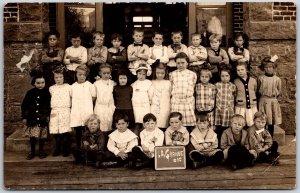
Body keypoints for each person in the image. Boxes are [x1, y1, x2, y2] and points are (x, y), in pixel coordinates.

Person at [21, 70, 51, 160]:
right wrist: (25, 117)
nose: (40, 85)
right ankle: (32, 151)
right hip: (32, 118)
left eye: (42, 83)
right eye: (38, 83)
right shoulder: (30, 93)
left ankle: (41, 150)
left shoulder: (47, 93)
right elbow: (24, 105)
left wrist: (47, 115)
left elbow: (49, 105)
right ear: (34, 83)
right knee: (33, 136)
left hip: (42, 118)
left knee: (42, 136)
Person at [70, 65, 96, 149]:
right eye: (79, 74)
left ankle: (88, 150)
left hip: (86, 111)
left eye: (84, 75)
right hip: (77, 112)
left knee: (87, 132)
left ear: (86, 75)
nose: (81, 76)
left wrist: (87, 104)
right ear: (76, 75)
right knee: (78, 132)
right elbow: (71, 97)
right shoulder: (72, 86)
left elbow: (94, 97)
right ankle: (79, 148)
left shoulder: (90, 85)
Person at [169, 52, 197, 132]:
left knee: (188, 123)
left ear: (187, 63)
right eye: (178, 63)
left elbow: (193, 86)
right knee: (176, 122)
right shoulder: (172, 74)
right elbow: (171, 88)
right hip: (176, 101)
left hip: (188, 101)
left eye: (183, 63)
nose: (180, 65)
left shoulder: (192, 74)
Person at [49, 67, 72, 157]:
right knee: (56, 131)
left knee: (65, 131)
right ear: (54, 78)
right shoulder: (51, 88)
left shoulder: (68, 87)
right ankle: (57, 148)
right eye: (56, 77)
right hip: (55, 111)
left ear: (64, 77)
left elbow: (71, 98)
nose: (58, 79)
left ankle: (65, 149)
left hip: (65, 110)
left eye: (60, 77)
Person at [257, 55, 281, 137]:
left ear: (274, 68)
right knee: (262, 121)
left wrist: (273, 98)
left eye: (270, 67)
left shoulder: (277, 79)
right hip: (263, 101)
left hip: (272, 102)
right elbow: (258, 90)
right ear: (263, 68)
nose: (268, 69)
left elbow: (279, 91)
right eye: (266, 67)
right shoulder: (261, 78)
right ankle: (261, 138)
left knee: (271, 122)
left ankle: (270, 139)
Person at [214, 65, 236, 143]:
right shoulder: (217, 85)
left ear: (230, 76)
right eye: (222, 76)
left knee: (228, 128)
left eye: (227, 76)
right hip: (219, 110)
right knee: (219, 128)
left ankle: (227, 142)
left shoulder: (233, 86)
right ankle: (219, 143)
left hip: (228, 110)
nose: (225, 78)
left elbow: (234, 96)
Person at [234, 61, 258, 127]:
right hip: (240, 106)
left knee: (251, 122)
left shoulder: (253, 80)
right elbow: (235, 93)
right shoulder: (236, 81)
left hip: (252, 105)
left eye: (242, 69)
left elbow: (255, 90)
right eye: (238, 70)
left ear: (246, 70)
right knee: (240, 123)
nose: (240, 71)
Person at [131, 63, 152, 136]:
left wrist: (148, 102)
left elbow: (151, 95)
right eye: (139, 74)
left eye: (143, 74)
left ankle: (145, 139)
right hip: (136, 107)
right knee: (137, 124)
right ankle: (136, 140)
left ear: (146, 75)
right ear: (136, 74)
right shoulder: (134, 84)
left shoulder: (149, 83)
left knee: (145, 123)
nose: (141, 76)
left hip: (145, 106)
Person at [94, 64, 116, 133]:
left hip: (109, 106)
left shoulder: (113, 83)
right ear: (100, 73)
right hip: (100, 106)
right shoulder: (96, 84)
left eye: (108, 73)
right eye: (104, 73)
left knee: (109, 123)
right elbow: (94, 96)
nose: (106, 75)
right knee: (100, 123)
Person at [149, 63, 171, 130]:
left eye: (162, 73)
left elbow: (170, 94)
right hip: (154, 105)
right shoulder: (151, 82)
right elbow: (150, 95)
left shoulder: (168, 82)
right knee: (155, 122)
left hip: (165, 105)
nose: (160, 75)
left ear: (165, 73)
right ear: (155, 72)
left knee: (164, 122)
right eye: (158, 73)